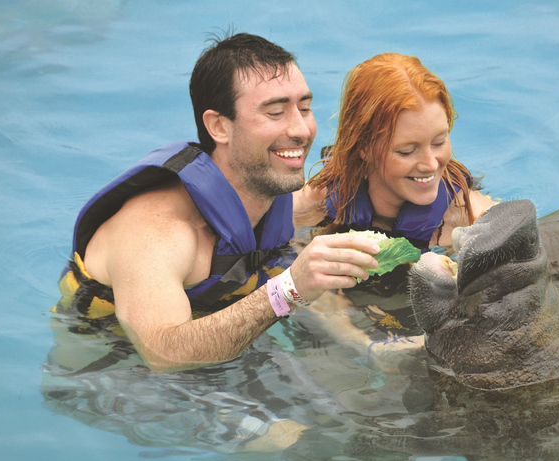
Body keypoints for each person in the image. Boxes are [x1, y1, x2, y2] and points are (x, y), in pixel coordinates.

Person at [52, 33, 381, 373]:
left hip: (225, 358)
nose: (301, 129)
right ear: (219, 126)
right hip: (118, 374)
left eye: (305, 108)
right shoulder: (155, 235)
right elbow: (165, 356)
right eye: (276, 112)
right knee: (292, 428)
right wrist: (289, 289)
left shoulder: (271, 198)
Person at [294, 53, 495, 248]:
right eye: (406, 151)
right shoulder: (314, 206)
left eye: (439, 142)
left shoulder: (471, 217)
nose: (430, 165)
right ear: (364, 147)